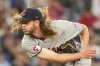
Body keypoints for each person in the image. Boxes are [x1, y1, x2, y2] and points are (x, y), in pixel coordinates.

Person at [11, 7, 96, 66]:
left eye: (26, 23)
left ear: (36, 22)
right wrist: (81, 54)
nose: (23, 26)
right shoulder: (27, 43)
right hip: (63, 62)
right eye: (22, 23)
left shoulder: (58, 26)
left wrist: (83, 50)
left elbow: (84, 29)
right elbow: (57, 57)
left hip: (80, 61)